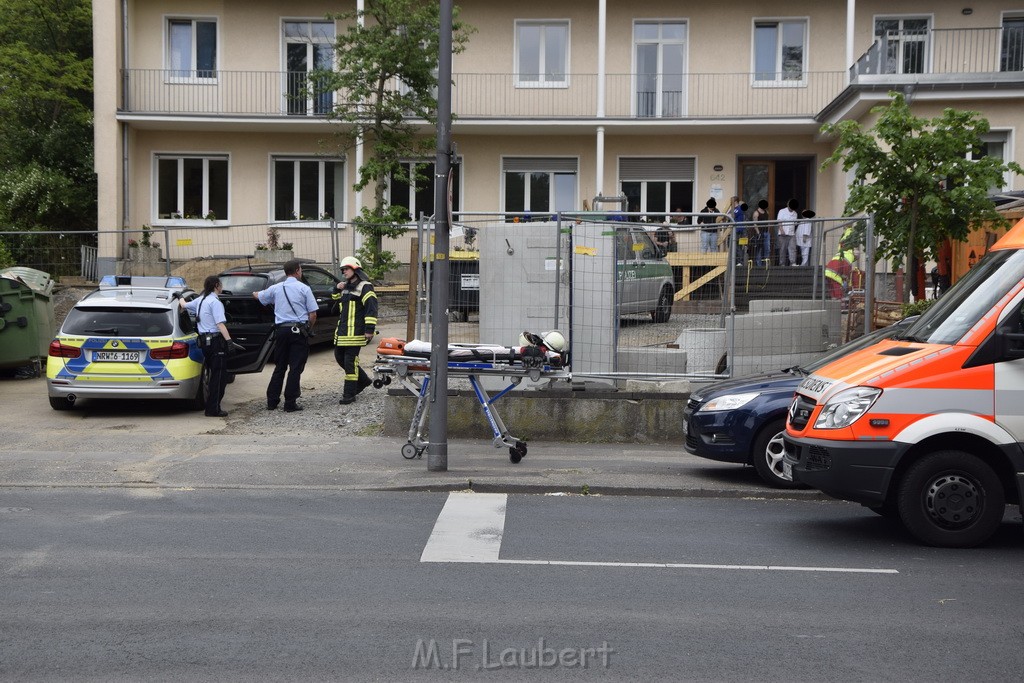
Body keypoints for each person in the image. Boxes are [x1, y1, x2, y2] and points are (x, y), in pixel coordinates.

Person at [253, 259, 318, 412]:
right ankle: (290, 402)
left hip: (281, 331)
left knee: (280, 366)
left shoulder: (276, 288)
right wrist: (308, 328)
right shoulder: (304, 289)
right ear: (297, 271)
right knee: (295, 367)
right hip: (298, 331)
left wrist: (253, 292)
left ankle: (272, 401)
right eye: (301, 270)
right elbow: (313, 313)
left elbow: (258, 296)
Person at [180, 275, 241, 418]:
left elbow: (183, 305)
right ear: (216, 285)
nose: (222, 287)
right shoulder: (215, 302)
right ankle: (213, 409)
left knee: (212, 375)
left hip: (204, 343)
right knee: (219, 377)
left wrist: (179, 296)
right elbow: (220, 324)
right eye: (221, 284)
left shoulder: (200, 300)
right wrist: (229, 342)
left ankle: (212, 406)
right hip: (215, 343)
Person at [333, 255, 378, 405]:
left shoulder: (365, 286)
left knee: (350, 362)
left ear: (355, 269)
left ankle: (349, 394)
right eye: (342, 270)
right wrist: (336, 288)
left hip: (355, 333)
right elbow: (334, 299)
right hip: (342, 333)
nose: (343, 272)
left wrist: (369, 330)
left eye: (346, 269)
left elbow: (371, 309)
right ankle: (364, 380)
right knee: (340, 358)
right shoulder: (345, 286)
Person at [776, 198, 799, 266]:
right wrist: (782, 230)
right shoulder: (782, 211)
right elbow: (779, 221)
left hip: (791, 234)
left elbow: (795, 224)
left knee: (793, 249)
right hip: (783, 234)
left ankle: (793, 262)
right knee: (782, 249)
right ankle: (782, 264)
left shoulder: (795, 213)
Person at [750, 199, 770, 266]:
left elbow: (768, 222)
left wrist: (768, 230)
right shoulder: (756, 213)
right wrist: (758, 233)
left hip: (766, 233)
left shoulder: (767, 212)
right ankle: (759, 265)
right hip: (759, 233)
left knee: (767, 248)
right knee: (759, 249)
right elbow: (755, 223)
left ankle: (766, 264)